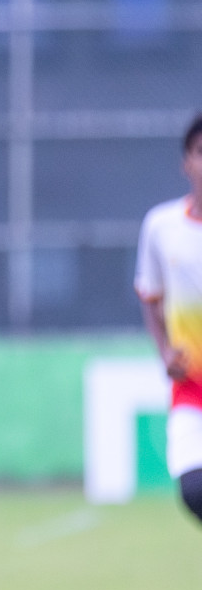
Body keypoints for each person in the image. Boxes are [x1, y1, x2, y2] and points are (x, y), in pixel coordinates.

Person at [135, 113, 202, 526]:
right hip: (192, 386)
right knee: (194, 490)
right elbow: (150, 296)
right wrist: (164, 352)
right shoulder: (162, 227)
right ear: (186, 163)